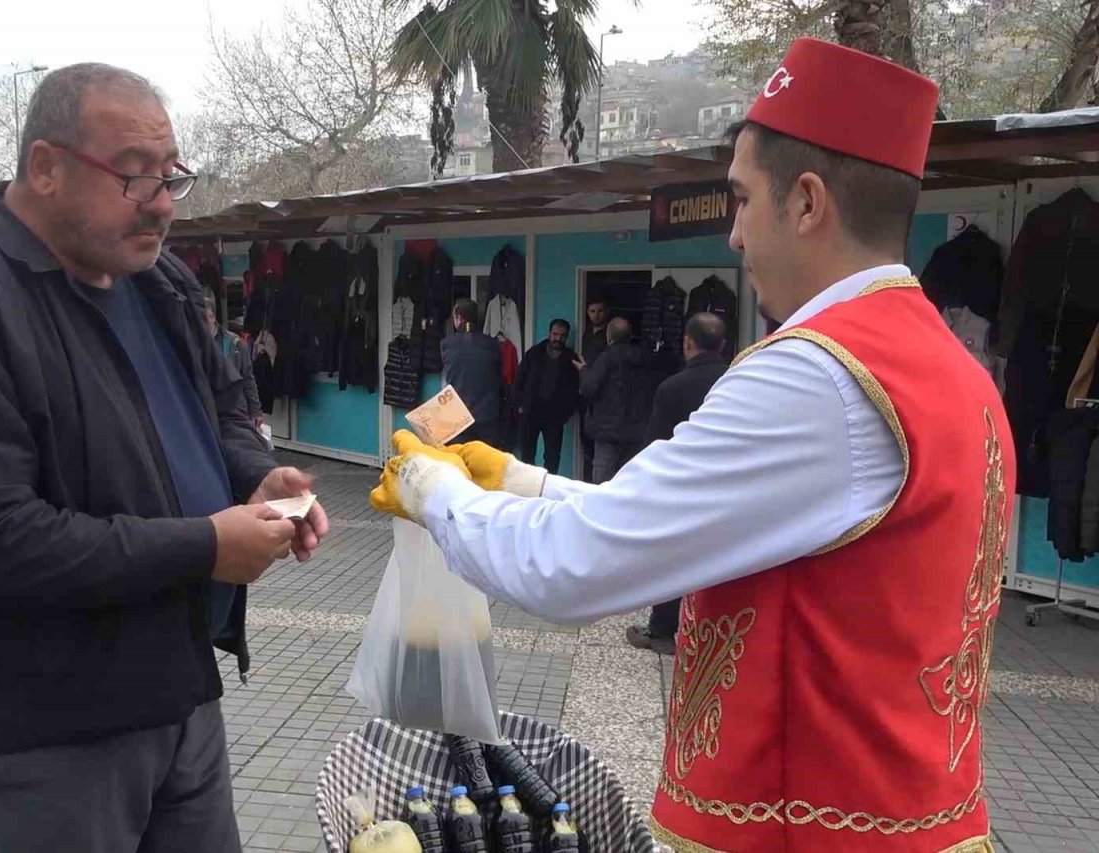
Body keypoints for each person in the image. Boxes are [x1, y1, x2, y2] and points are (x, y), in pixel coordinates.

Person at [370, 38, 1010, 853]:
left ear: (807, 202)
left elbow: (572, 566)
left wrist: (431, 490)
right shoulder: (954, 373)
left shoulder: (815, 376)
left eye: (741, 200)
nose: (734, 236)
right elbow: (674, 521)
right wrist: (523, 482)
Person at [0, 63, 329, 853]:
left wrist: (254, 475)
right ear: (45, 167)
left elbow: (219, 410)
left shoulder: (158, 280)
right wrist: (206, 546)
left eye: (170, 174)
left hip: (181, 692)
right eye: (133, 174)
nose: (161, 201)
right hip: (47, 732)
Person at [625, 312, 729, 653]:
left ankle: (662, 628)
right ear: (722, 345)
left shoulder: (672, 388)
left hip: (683, 488)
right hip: (728, 486)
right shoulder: (736, 383)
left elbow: (655, 444)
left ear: (687, 342)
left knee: (671, 556)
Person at [574, 317, 658, 482]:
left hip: (608, 432)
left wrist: (583, 370)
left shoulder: (607, 357)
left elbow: (589, 388)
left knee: (603, 482)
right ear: (630, 336)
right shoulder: (645, 359)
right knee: (629, 481)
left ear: (609, 337)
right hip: (636, 431)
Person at [513, 319, 579, 474]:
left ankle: (549, 486)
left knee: (552, 457)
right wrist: (519, 405)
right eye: (555, 334)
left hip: (555, 416)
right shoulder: (534, 353)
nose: (558, 338)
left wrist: (565, 413)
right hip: (530, 412)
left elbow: (574, 389)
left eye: (562, 335)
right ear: (549, 334)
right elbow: (519, 379)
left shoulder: (570, 358)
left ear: (566, 337)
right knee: (527, 456)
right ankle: (528, 485)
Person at [441, 298, 503, 445]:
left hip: (457, 416)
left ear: (458, 317)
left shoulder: (446, 344)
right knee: (485, 457)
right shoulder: (492, 344)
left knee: (458, 457)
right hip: (487, 416)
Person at [204, 300, 267, 438]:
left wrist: (256, 411)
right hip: (206, 410)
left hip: (233, 411)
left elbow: (248, 379)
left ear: (212, 317)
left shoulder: (234, 343)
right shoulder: (193, 344)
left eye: (204, 317)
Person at [578, 299, 608, 482]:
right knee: (586, 443)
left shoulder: (609, 335)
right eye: (592, 311)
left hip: (602, 395)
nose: (596, 315)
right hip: (584, 393)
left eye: (600, 311)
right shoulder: (586, 333)